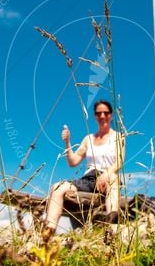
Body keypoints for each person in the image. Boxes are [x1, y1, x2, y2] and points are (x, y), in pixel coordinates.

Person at [44, 99, 125, 236]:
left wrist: (106, 175)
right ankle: (48, 231)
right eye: (99, 113)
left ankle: (111, 228)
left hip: (109, 177)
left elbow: (119, 161)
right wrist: (67, 142)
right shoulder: (89, 138)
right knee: (58, 187)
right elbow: (73, 162)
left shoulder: (118, 136)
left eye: (106, 113)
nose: (102, 116)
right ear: (95, 116)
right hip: (88, 179)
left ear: (111, 115)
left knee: (112, 178)